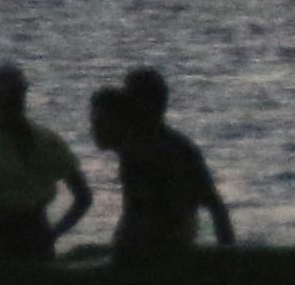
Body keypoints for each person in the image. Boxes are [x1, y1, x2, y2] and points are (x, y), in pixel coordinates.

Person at [90, 64, 234, 264]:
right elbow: (216, 207)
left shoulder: (164, 148)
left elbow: (214, 207)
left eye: (131, 100)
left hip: (162, 246)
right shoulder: (145, 143)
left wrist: (227, 259)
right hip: (152, 241)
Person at [0, 62, 92, 265]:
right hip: (36, 240)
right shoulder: (49, 142)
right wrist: (53, 234)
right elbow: (83, 197)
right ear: (23, 98)